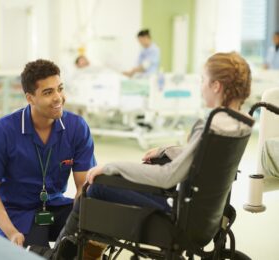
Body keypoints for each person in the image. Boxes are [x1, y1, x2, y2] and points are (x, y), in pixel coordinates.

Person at [32, 52, 252, 259]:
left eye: (203, 80)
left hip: (178, 217)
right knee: (106, 187)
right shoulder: (238, 123)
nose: (200, 86)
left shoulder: (209, 124)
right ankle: (84, 252)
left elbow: (167, 176)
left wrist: (112, 167)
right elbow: (199, 157)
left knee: (96, 186)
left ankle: (59, 255)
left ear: (216, 85)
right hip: (205, 219)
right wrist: (165, 150)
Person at [0, 59, 96, 248]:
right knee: (37, 251)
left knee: (91, 232)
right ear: (30, 98)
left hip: (56, 206)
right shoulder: (2, 132)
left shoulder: (77, 127)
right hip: (18, 213)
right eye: (48, 92)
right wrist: (11, 233)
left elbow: (84, 186)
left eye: (60, 88)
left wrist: (82, 224)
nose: (58, 97)